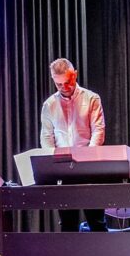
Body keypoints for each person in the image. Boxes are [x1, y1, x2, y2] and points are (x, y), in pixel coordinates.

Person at [39, 58, 107, 232]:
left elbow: (98, 131)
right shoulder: (49, 105)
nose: (64, 87)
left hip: (89, 170)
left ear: (75, 74)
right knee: (68, 225)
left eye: (67, 82)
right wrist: (53, 164)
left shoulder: (91, 98)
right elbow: (47, 138)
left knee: (97, 222)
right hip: (64, 171)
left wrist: (87, 159)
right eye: (59, 84)